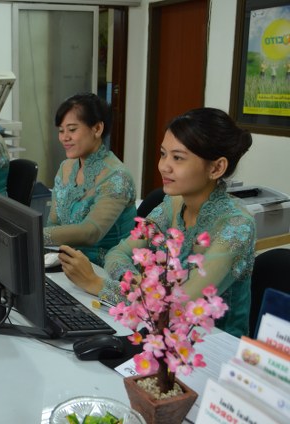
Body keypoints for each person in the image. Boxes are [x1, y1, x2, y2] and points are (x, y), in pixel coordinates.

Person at [59, 107, 255, 337]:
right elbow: (118, 253)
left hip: (213, 346)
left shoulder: (236, 226)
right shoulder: (173, 204)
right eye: (163, 154)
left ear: (216, 167)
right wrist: (138, 284)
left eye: (178, 158)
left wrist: (97, 284)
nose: (164, 166)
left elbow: (179, 310)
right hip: (161, 334)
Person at [43, 93, 137, 266]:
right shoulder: (66, 167)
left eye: (72, 130)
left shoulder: (117, 177)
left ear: (97, 129)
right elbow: (54, 222)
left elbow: (90, 232)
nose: (64, 137)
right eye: (61, 131)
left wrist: (35, 235)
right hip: (67, 261)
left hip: (105, 268)